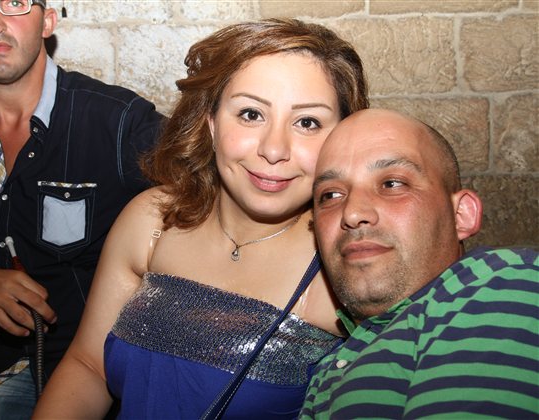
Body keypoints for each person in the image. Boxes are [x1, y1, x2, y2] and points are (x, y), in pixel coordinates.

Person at [33, 18, 369, 419]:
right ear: (211, 123)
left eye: (307, 122)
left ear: (342, 137)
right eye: (250, 114)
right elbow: (88, 366)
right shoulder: (152, 220)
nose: (274, 149)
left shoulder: (348, 261)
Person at [0, 0, 162, 418]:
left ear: (47, 22)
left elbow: (207, 209)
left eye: (14, 4)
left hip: (106, 371)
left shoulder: (119, 122)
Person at [301, 108, 539, 418]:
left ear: (461, 215)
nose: (352, 213)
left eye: (392, 184)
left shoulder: (502, 285)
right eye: (331, 195)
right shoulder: (326, 367)